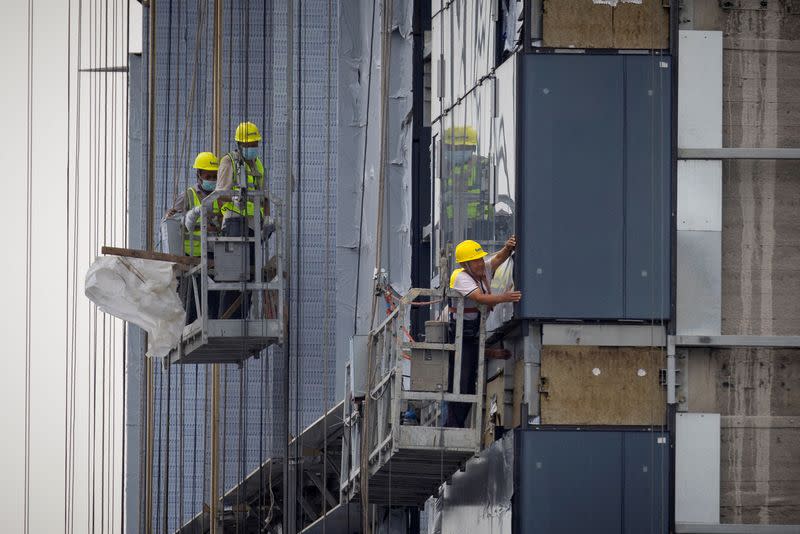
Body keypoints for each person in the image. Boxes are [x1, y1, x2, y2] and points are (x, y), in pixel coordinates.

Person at [445, 236, 521, 428]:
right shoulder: (460, 277)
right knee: (461, 383)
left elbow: (497, 260)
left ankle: (456, 424)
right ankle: (453, 426)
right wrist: (505, 297)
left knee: (469, 383)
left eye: (480, 259)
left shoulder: (482, 270)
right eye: (475, 261)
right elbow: (479, 298)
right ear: (466, 264)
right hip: (458, 335)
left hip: (472, 335)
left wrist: (508, 247)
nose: (480, 264)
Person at [215, 121, 271, 319]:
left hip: (252, 225)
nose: (252, 148)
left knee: (250, 275)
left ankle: (241, 317)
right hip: (234, 223)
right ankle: (226, 318)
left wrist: (266, 219)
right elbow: (220, 194)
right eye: (249, 145)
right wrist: (235, 197)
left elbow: (264, 196)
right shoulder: (229, 161)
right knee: (232, 275)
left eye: (255, 144)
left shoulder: (258, 165)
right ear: (239, 145)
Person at [165, 151, 222, 323]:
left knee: (215, 300)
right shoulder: (188, 196)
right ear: (199, 175)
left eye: (214, 176)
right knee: (191, 301)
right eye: (208, 175)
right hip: (192, 258)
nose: (211, 179)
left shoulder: (221, 196)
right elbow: (172, 222)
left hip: (215, 255)